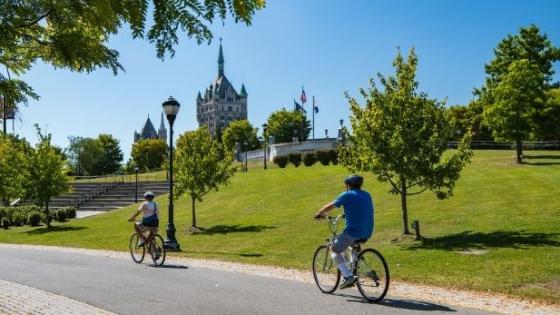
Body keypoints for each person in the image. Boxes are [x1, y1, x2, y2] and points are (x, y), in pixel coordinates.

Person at [314, 174, 374, 289]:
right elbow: (361, 210)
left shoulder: (346, 195)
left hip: (353, 231)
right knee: (351, 246)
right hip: (367, 231)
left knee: (335, 249)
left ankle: (348, 277)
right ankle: (355, 268)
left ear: (348, 185)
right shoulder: (367, 195)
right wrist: (345, 215)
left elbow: (330, 206)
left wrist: (320, 213)